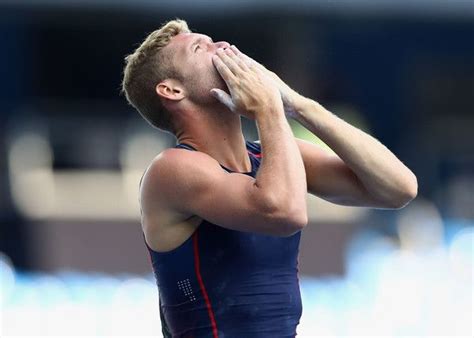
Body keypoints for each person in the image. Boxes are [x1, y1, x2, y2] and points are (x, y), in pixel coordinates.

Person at [121, 19, 417, 338]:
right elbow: (285, 211)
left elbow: (399, 189)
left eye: (212, 40)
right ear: (172, 90)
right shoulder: (171, 169)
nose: (221, 46)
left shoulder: (271, 155)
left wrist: (298, 106)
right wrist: (270, 109)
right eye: (199, 47)